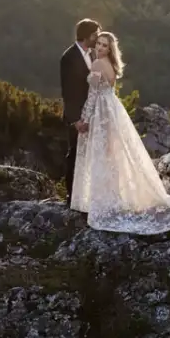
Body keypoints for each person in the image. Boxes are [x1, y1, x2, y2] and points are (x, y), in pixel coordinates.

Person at [69, 31, 170, 233]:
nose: (99, 48)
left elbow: (92, 96)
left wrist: (84, 119)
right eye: (98, 44)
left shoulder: (97, 65)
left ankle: (103, 203)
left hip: (102, 112)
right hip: (113, 109)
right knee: (111, 156)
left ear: (110, 49)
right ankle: (111, 199)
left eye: (104, 45)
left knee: (101, 156)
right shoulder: (112, 66)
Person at [61, 18, 101, 202]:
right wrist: (75, 119)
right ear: (87, 36)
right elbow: (68, 91)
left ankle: (86, 194)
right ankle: (71, 195)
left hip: (92, 113)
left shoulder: (93, 55)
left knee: (90, 154)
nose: (98, 38)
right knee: (75, 153)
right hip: (77, 116)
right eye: (95, 34)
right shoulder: (68, 57)